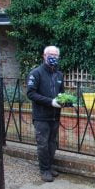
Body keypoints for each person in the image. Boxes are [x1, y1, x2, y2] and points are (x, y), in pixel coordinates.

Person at [27, 45, 64, 182]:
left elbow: (61, 93)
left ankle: (49, 166)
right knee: (43, 144)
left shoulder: (59, 74)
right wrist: (50, 102)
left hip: (55, 116)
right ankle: (44, 170)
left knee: (52, 143)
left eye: (56, 55)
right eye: (50, 54)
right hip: (41, 116)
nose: (53, 57)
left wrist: (65, 101)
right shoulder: (36, 73)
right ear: (44, 55)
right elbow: (31, 93)